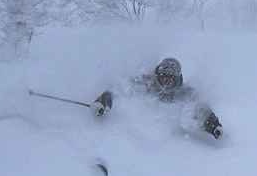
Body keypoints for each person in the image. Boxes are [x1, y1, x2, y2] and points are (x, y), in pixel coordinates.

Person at [91, 57, 223, 139]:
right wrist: (102, 104)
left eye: (171, 79)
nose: (166, 82)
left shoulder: (185, 93)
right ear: (157, 75)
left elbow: (201, 110)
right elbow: (118, 89)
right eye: (163, 77)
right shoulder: (145, 83)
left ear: (177, 80)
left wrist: (214, 127)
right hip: (135, 133)